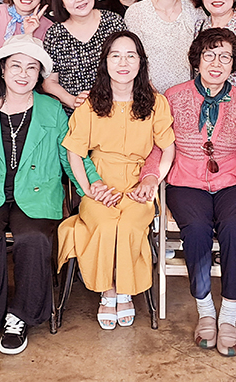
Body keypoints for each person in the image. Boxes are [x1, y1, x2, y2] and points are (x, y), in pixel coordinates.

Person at [0, 35, 91, 354]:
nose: (23, 74)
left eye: (31, 67)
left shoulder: (52, 109)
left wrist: (90, 187)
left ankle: (20, 317)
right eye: (15, 66)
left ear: (40, 74)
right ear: (2, 69)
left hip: (37, 193)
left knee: (34, 239)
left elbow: (70, 154)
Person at [58, 31, 175, 329]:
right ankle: (108, 291)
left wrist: (153, 182)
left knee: (130, 224)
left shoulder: (157, 103)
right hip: (100, 182)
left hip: (138, 183)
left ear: (141, 62)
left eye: (130, 56)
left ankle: (125, 291)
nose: (123, 63)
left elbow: (167, 148)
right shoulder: (89, 104)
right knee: (105, 223)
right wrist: (89, 189)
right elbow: (74, 151)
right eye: (116, 56)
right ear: (105, 62)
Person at [164, 28, 236, 356]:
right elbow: (159, 144)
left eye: (225, 57)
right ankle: (206, 310)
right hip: (186, 180)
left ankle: (229, 316)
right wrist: (151, 178)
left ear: (234, 64)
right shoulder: (173, 97)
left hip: (234, 180)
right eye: (209, 55)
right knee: (195, 229)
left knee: (235, 227)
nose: (216, 63)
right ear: (197, 60)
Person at [43, 0, 126, 112]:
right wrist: (72, 101)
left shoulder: (114, 22)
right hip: (74, 114)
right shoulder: (55, 34)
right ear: (61, 2)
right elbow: (49, 82)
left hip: (116, 109)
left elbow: (130, 66)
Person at [125, 0, 204, 93]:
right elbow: (132, 56)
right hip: (147, 94)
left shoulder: (195, 10)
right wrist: (150, 92)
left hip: (187, 95)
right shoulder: (137, 12)